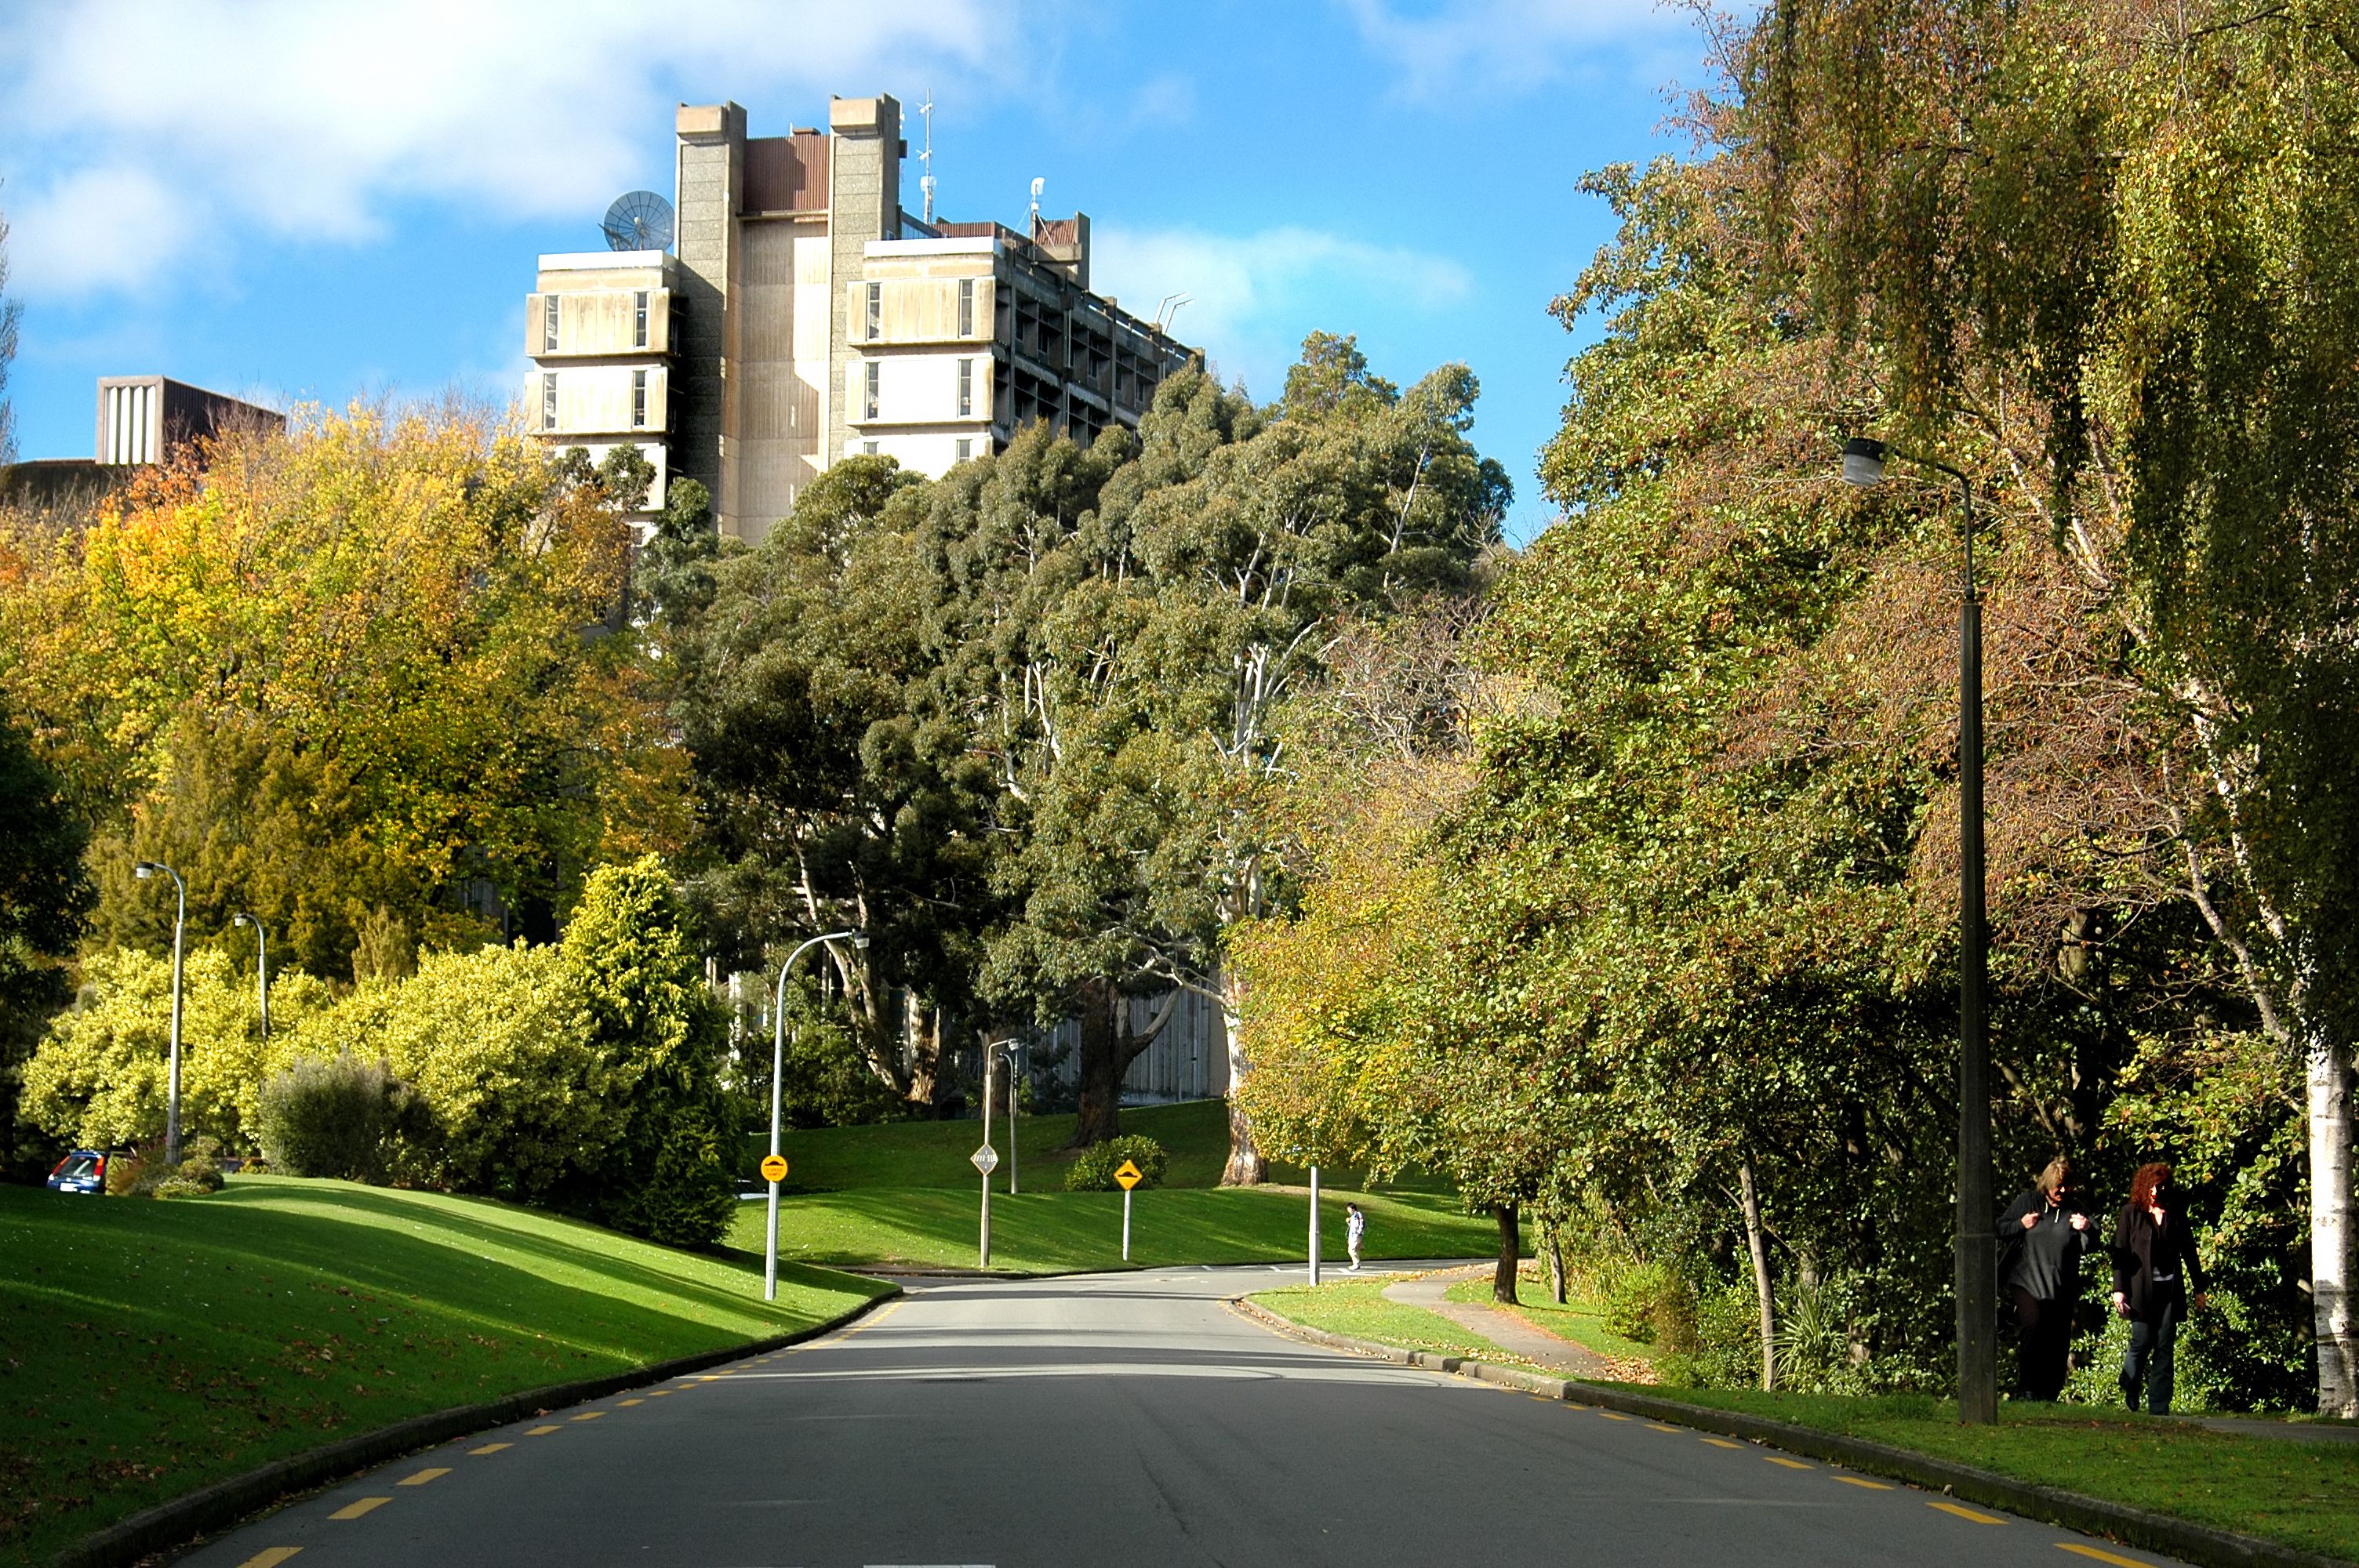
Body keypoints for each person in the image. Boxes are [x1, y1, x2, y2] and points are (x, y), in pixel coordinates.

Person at [2110, 1161, 2208, 1414]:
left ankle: (2159, 1407)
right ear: (2144, 1187)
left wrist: (2199, 1288)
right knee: (2141, 1341)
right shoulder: (2131, 1213)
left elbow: (2189, 1251)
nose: (2157, 1191)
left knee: (2165, 1345)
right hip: (2140, 1291)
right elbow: (2120, 1254)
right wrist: (2119, 1290)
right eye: (2153, 1186)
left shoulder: (2175, 1214)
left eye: (2162, 1186)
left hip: (2169, 1291)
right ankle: (2130, 1383)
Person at [1997, 1155, 2095, 1401]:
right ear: (2047, 1185)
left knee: (2057, 1338)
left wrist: (2086, 1228)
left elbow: (2094, 1243)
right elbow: (2000, 1228)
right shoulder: (2029, 1202)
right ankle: (2028, 1389)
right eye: (2057, 1186)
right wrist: (2021, 1224)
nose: (2062, 1191)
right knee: (2033, 1325)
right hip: (2027, 1280)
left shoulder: (2076, 1209)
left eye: (2066, 1186)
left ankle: (2050, 1393)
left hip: (2060, 1286)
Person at [1345, 1202, 1366, 1272]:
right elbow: (1352, 1226)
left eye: (1349, 1209)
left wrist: (1358, 1232)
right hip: (1351, 1236)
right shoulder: (1352, 1216)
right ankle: (1356, 1263)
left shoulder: (1358, 1215)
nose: (1348, 1210)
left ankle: (1356, 1264)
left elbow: (1362, 1224)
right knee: (1354, 1250)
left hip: (1356, 1235)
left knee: (1352, 1250)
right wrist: (1348, 1222)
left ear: (1353, 1209)